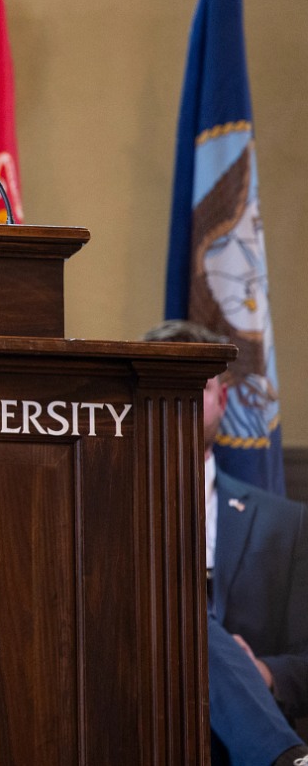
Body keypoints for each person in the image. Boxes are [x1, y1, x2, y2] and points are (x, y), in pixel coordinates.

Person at [144, 319, 308, 766]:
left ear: (223, 397)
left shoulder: (285, 522)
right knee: (184, 619)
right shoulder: (96, 509)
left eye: (194, 384)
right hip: (136, 724)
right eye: (164, 384)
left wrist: (264, 674)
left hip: (230, 745)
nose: (178, 399)